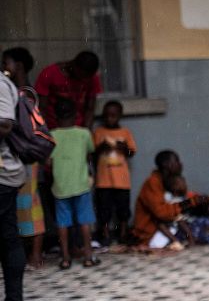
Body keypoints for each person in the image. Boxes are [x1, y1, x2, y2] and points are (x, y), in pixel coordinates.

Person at [3, 47, 45, 270]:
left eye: (5, 63)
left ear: (17, 66)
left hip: (24, 157)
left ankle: (35, 254)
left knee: (28, 203)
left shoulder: (25, 92)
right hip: (16, 156)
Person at [48, 99, 99, 269]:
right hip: (81, 184)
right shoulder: (84, 134)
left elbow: (47, 161)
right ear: (76, 115)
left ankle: (65, 258)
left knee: (63, 223)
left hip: (60, 186)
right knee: (84, 222)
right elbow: (90, 152)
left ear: (55, 116)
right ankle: (88, 256)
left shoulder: (52, 135)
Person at [131, 150, 209, 247]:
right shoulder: (152, 182)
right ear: (167, 164)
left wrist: (200, 199)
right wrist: (191, 202)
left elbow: (183, 197)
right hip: (151, 233)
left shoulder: (166, 180)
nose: (180, 164)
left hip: (166, 227)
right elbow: (161, 213)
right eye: (177, 161)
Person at [0, 54, 29, 301]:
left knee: (8, 239)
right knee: (7, 237)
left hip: (2, 174)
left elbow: (4, 124)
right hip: (6, 174)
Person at [93, 100, 136, 246]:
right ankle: (105, 233)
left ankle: (123, 233)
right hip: (103, 180)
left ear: (119, 116)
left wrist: (124, 147)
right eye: (107, 115)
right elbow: (93, 153)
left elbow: (131, 152)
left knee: (123, 209)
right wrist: (101, 147)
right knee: (104, 209)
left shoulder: (125, 132)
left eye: (113, 115)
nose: (110, 118)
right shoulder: (99, 132)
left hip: (122, 180)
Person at [34, 51, 102, 130]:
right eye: (81, 76)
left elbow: (90, 108)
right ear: (74, 65)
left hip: (77, 128)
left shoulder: (92, 78)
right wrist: (44, 130)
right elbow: (42, 107)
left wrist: (86, 131)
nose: (83, 80)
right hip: (52, 127)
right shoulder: (49, 73)